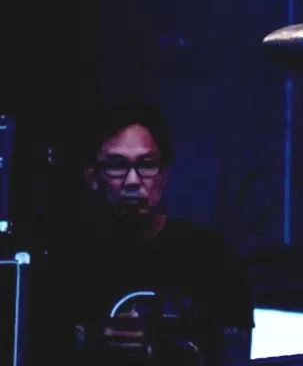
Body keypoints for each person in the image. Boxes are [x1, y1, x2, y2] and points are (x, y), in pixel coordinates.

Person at [52, 99, 254, 364]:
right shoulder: (65, 261)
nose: (132, 181)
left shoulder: (212, 258)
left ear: (164, 174)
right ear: (92, 177)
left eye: (146, 164)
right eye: (116, 166)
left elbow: (235, 354)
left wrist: (160, 348)